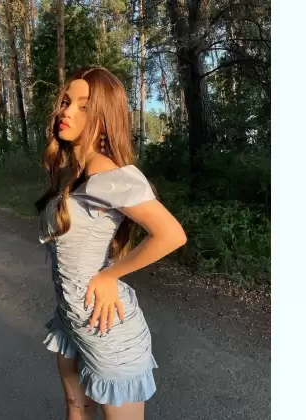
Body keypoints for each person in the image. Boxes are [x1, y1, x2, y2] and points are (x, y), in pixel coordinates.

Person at [35, 67, 187, 420]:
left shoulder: (104, 172)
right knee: (76, 411)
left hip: (109, 332)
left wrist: (109, 275)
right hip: (71, 320)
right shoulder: (76, 171)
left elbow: (171, 234)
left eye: (84, 106)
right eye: (66, 102)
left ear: (104, 118)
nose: (66, 112)